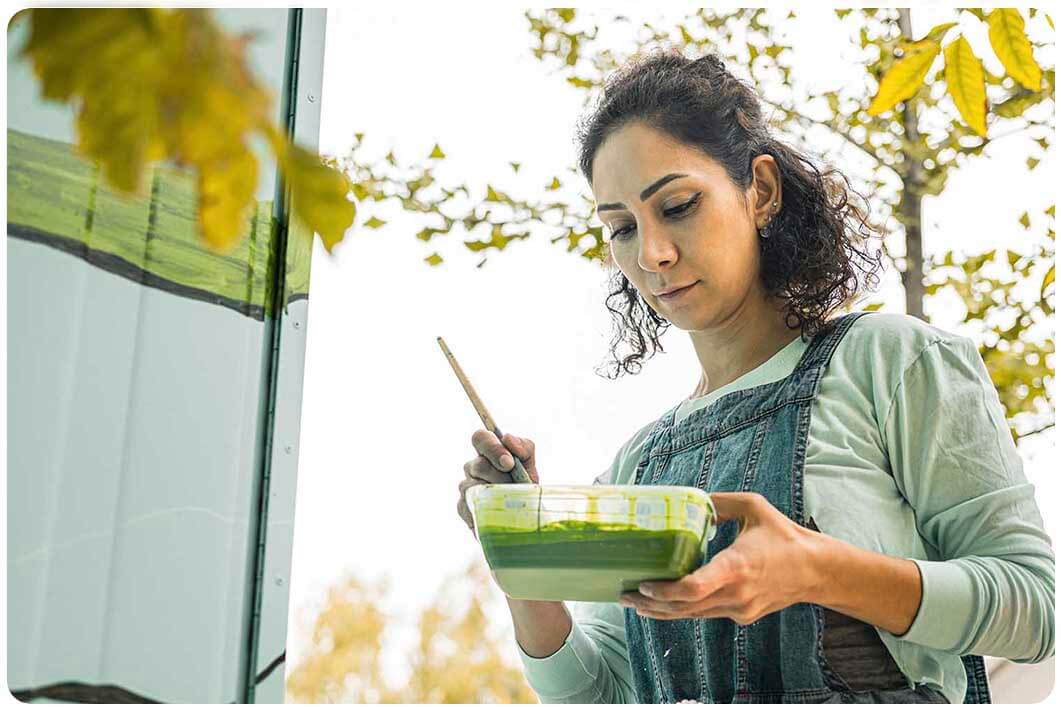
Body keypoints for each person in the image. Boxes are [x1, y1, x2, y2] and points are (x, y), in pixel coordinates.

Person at [456, 48, 1054, 704]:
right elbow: (595, 692)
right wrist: (520, 551)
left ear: (760, 190)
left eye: (678, 205)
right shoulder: (637, 464)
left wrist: (816, 570)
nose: (652, 253)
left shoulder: (889, 363)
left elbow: (1033, 608)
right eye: (622, 228)